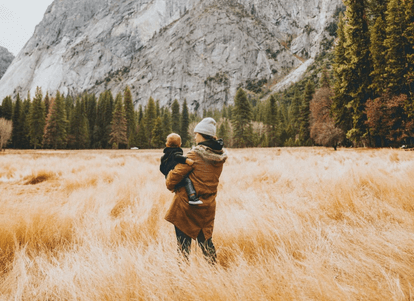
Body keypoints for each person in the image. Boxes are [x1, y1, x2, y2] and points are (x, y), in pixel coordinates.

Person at [164, 117, 227, 264]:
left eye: (196, 133)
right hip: (207, 207)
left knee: (183, 249)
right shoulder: (219, 156)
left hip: (187, 208)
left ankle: (183, 279)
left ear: (202, 135)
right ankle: (214, 274)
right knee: (206, 245)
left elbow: (172, 179)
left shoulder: (194, 155)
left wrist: (171, 180)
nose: (194, 136)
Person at [160, 133, 203, 206]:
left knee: (180, 184)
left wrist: (167, 173)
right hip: (172, 174)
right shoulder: (176, 152)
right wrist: (186, 160)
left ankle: (176, 187)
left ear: (167, 144)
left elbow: (161, 168)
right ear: (180, 144)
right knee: (187, 181)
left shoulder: (165, 155)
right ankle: (192, 197)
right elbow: (177, 156)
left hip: (168, 176)